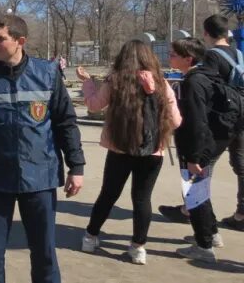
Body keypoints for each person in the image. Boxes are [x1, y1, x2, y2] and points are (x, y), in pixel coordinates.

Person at [0, 15, 85, 283]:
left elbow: (65, 122)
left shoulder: (47, 74)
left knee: (44, 252)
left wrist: (77, 166)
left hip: (39, 177)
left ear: (20, 41)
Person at [76, 40, 182, 265]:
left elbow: (94, 105)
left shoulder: (116, 82)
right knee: (142, 198)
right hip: (153, 152)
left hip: (119, 148)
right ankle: (138, 247)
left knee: (108, 194)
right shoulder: (162, 83)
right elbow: (176, 120)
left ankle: (90, 236)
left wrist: (87, 83)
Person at [159, 15, 244, 232]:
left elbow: (204, 93)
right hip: (239, 118)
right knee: (241, 166)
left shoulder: (211, 58)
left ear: (206, 33)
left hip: (219, 121)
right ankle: (241, 213)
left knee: (199, 169)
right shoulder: (239, 54)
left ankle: (194, 214)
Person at [168, 38, 229, 262]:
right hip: (208, 144)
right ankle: (211, 234)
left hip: (196, 149)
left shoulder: (192, 83)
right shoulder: (205, 78)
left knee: (194, 195)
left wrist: (194, 157)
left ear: (188, 58)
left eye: (174, 54)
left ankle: (203, 246)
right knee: (200, 192)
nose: (169, 57)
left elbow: (196, 122)